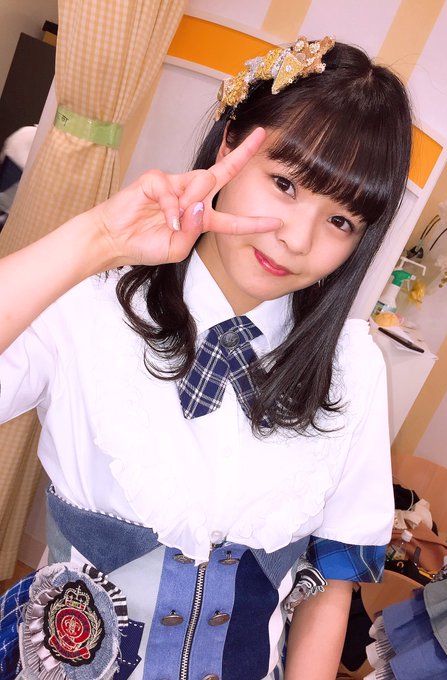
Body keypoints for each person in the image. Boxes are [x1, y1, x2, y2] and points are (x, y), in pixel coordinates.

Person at [0, 37, 412, 680]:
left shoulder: (352, 369)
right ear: (228, 149)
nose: (297, 239)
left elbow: (329, 590)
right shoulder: (91, 304)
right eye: (284, 184)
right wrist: (97, 239)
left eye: (341, 222)